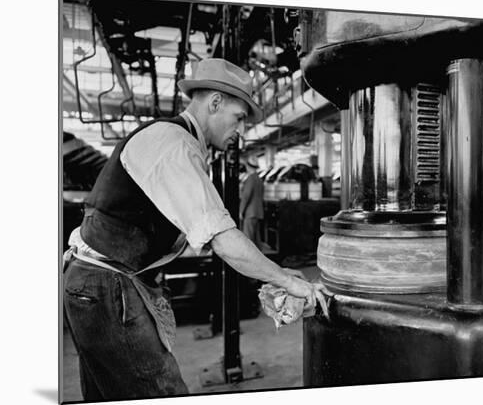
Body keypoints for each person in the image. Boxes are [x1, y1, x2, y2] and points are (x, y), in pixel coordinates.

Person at [63, 57, 331, 401]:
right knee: (160, 390)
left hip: (97, 282)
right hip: (107, 286)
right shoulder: (173, 143)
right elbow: (221, 238)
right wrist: (285, 279)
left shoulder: (176, 141)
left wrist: (271, 271)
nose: (240, 130)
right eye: (238, 118)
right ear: (215, 102)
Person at [239, 155, 264, 249]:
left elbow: (246, 196)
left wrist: (241, 211)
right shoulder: (259, 179)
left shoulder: (250, 179)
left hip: (250, 213)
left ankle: (249, 261)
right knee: (256, 240)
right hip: (258, 213)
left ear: (248, 166)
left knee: (248, 240)